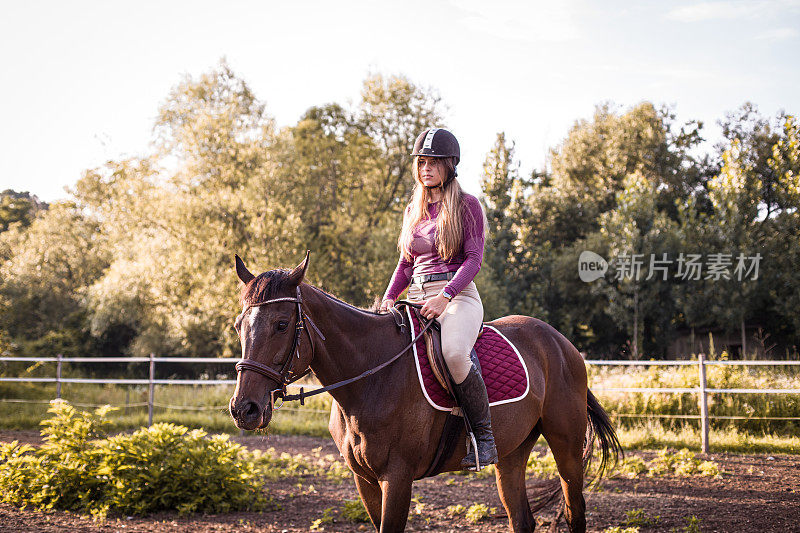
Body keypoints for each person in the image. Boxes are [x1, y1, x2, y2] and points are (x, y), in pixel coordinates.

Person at [379, 127, 497, 469]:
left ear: (450, 165)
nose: (425, 168)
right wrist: (389, 297)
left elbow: (473, 260)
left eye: (433, 162)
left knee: (455, 354)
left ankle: (484, 439)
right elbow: (405, 263)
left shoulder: (467, 205)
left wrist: (446, 296)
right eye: (421, 162)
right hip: (414, 295)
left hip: (456, 296)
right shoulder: (412, 210)